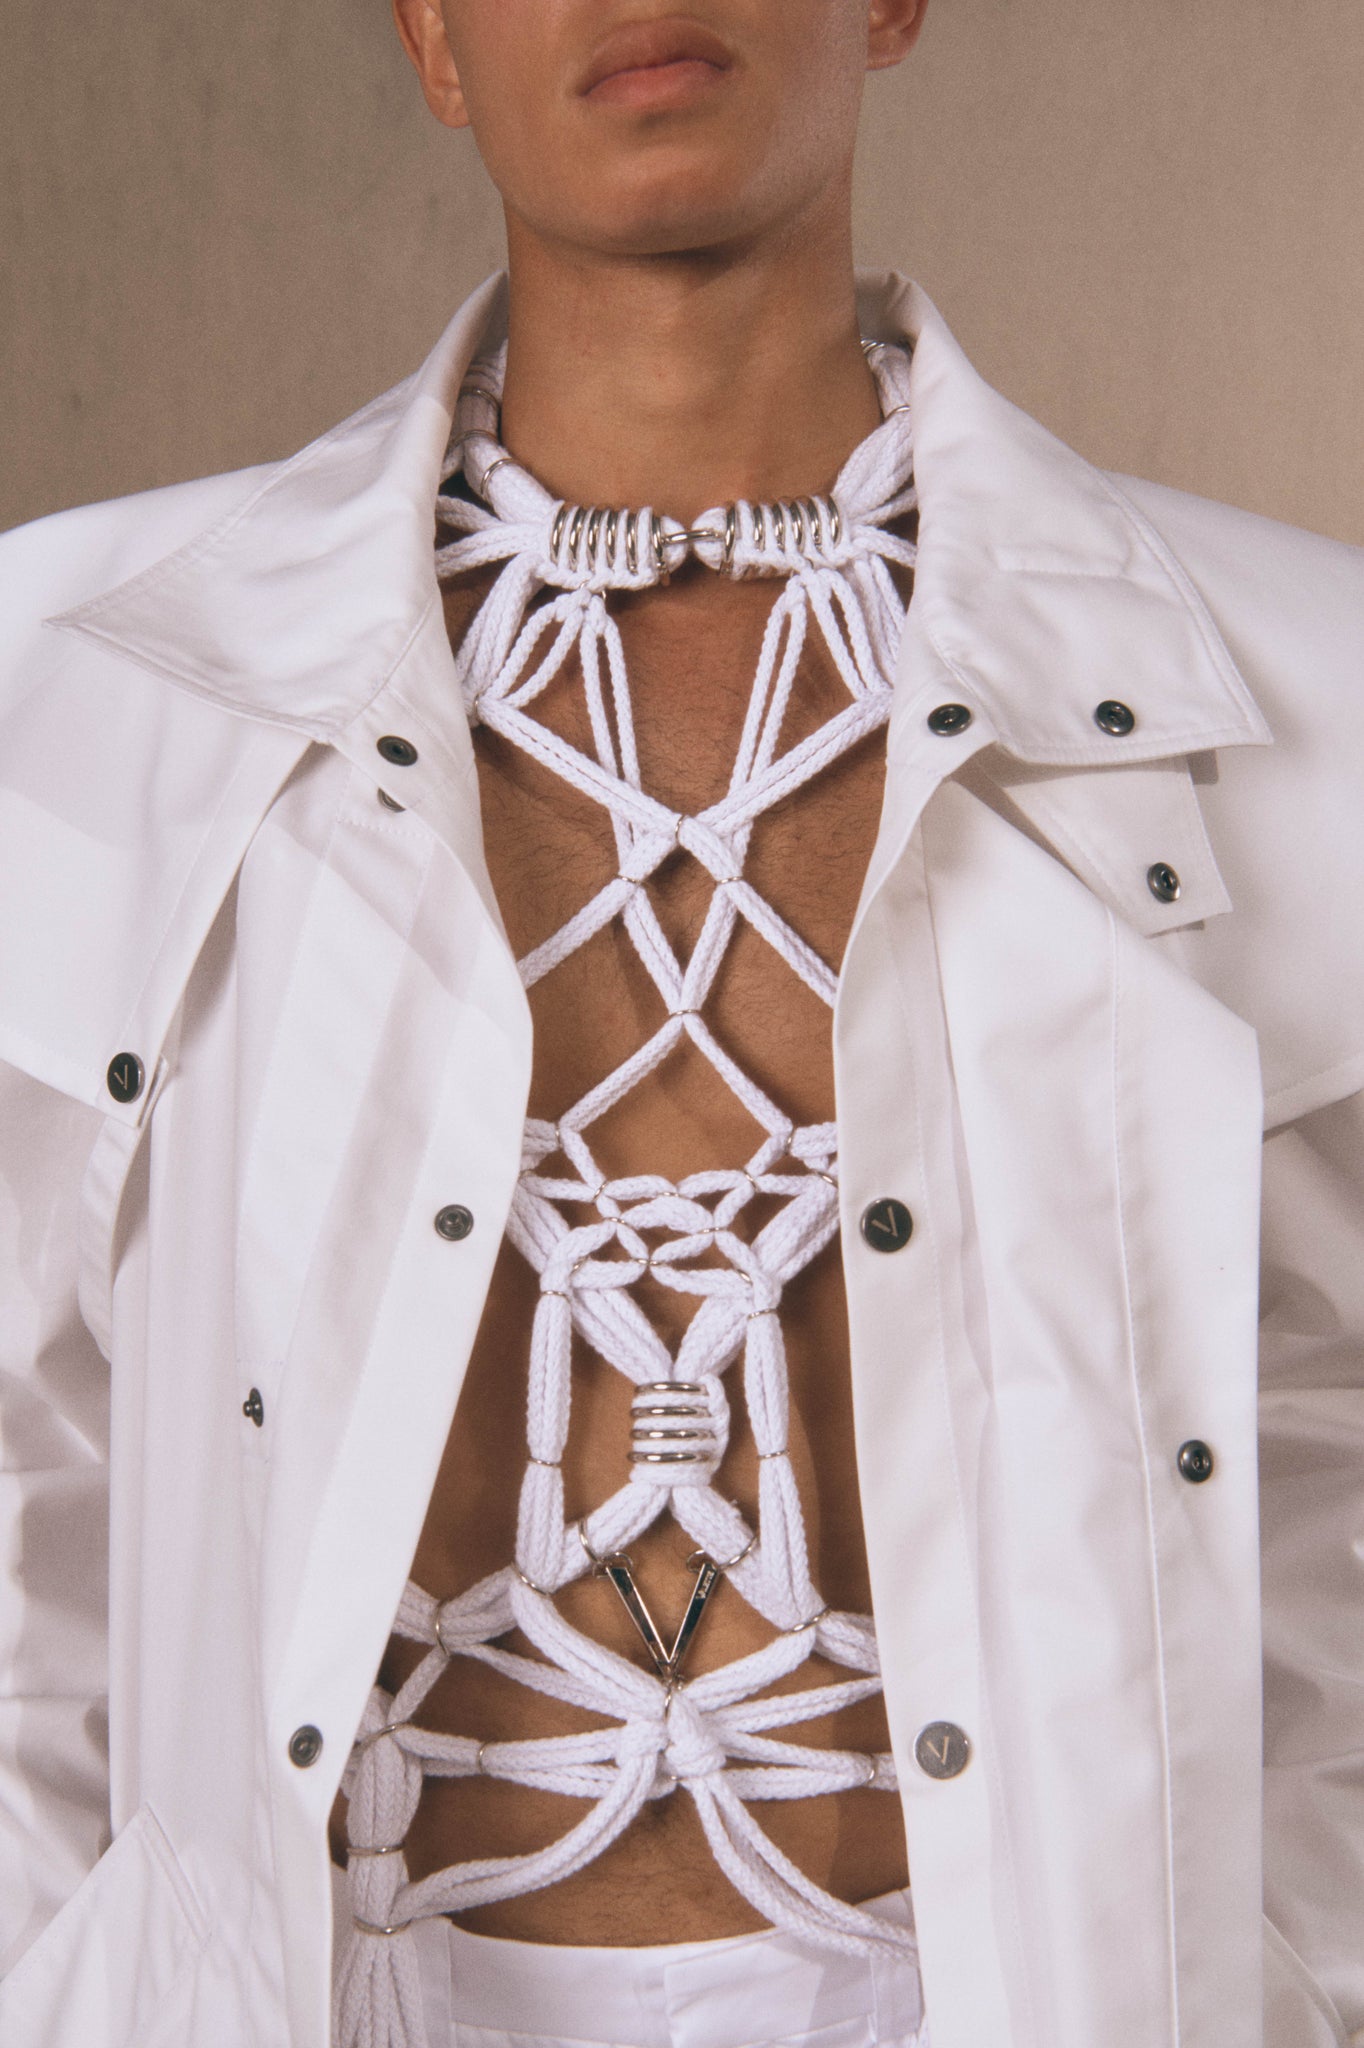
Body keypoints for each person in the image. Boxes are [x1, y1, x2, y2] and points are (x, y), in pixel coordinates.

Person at [0, 1, 1360, 2044]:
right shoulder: (79, 682)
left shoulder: (1307, 693)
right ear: (433, 39)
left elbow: (1329, 1476)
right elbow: (27, 1491)